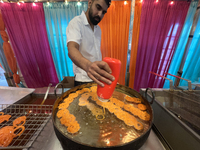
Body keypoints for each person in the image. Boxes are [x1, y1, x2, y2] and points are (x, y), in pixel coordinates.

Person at [66, 0, 115, 87]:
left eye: (103, 12)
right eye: (98, 7)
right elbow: (72, 49)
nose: (100, 14)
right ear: (90, 3)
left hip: (97, 78)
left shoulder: (98, 29)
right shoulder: (76, 23)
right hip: (82, 80)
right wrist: (88, 66)